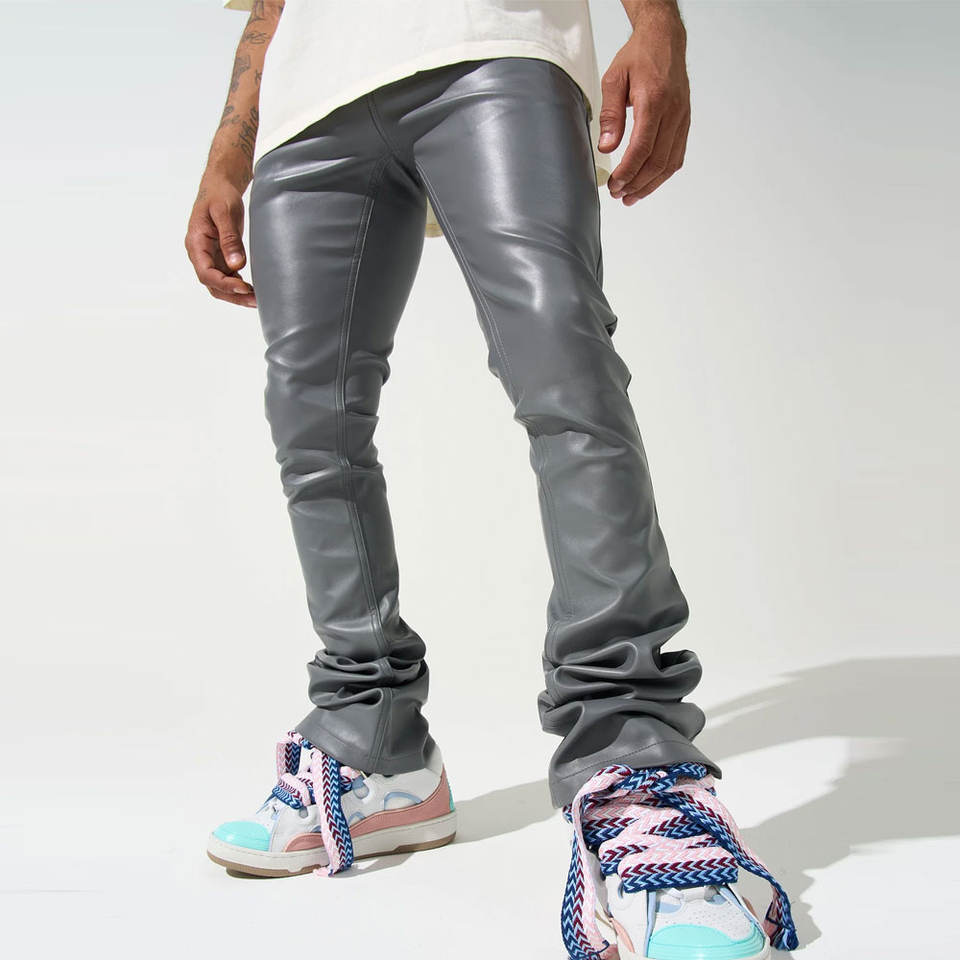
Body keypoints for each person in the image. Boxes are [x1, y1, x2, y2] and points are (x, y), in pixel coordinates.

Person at [184, 1, 798, 956]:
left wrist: (659, 24)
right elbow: (271, 10)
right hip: (307, 105)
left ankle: (635, 762)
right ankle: (372, 744)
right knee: (312, 426)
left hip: (492, 41)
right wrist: (228, 152)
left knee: (564, 371)